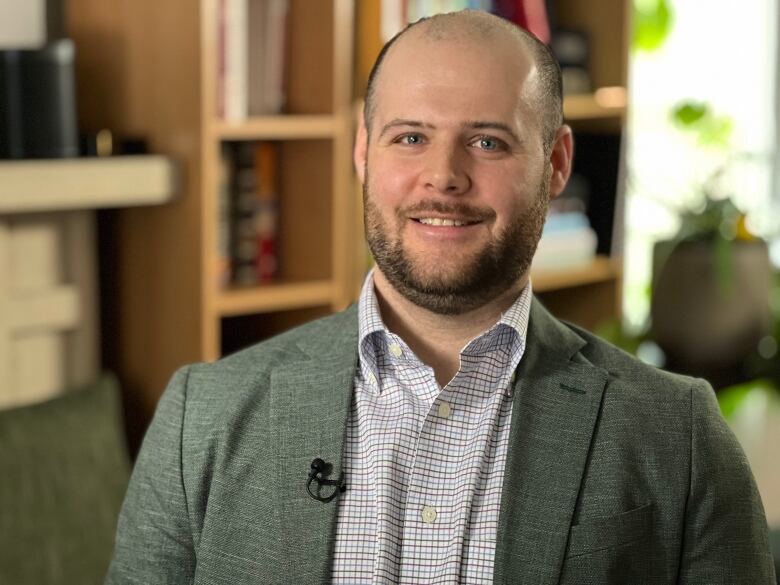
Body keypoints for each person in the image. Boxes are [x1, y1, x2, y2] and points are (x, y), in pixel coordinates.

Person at [105, 10, 776, 585]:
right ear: (364, 151)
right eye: (411, 137)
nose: (443, 177)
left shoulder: (678, 434)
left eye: (487, 141)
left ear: (557, 161)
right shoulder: (204, 415)